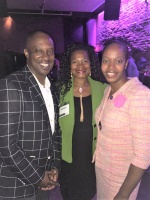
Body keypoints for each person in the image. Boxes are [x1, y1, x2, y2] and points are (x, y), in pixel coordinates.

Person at [0, 30, 61, 199]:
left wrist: (55, 166)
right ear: (26, 53)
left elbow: (55, 134)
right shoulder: (11, 85)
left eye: (50, 51)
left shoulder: (53, 89)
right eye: (38, 51)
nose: (46, 57)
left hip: (44, 180)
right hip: (16, 184)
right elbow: (7, 147)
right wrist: (38, 177)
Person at [94, 39, 150, 200]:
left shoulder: (140, 95)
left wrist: (124, 193)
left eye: (118, 61)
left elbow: (143, 156)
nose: (111, 67)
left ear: (126, 64)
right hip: (103, 170)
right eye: (106, 61)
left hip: (123, 178)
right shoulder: (108, 90)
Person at [58, 42, 106, 200]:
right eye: (75, 61)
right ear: (69, 65)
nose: (80, 65)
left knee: (88, 191)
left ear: (91, 63)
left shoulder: (103, 88)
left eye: (85, 61)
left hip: (92, 155)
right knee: (69, 193)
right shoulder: (59, 90)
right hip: (68, 156)